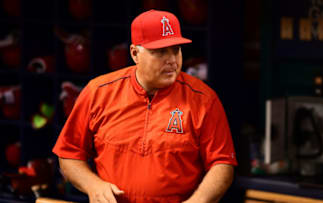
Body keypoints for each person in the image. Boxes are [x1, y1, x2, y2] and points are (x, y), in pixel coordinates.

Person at [53, 9, 238, 203]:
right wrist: (93, 185)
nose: (172, 60)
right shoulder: (98, 92)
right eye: (160, 52)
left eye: (176, 50)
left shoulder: (204, 99)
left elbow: (222, 163)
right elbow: (68, 153)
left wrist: (197, 201)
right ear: (135, 53)